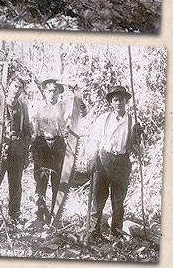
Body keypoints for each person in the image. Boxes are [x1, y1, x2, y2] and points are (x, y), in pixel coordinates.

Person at [86, 85, 143, 242]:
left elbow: (139, 152)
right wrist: (92, 159)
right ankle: (93, 232)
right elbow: (94, 141)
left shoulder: (132, 122)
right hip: (104, 161)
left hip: (122, 162)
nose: (119, 103)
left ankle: (116, 233)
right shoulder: (103, 119)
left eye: (122, 100)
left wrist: (138, 137)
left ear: (126, 101)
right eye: (115, 100)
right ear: (111, 102)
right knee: (97, 199)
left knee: (118, 201)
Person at [31, 79, 86, 223]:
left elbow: (81, 112)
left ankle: (54, 215)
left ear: (58, 93)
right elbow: (32, 126)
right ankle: (39, 214)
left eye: (55, 91)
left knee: (57, 180)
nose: (52, 94)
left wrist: (78, 96)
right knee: (41, 179)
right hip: (42, 143)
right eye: (49, 91)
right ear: (45, 92)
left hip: (58, 144)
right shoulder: (38, 107)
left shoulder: (63, 107)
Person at [0, 75, 31, 221]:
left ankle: (14, 214)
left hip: (18, 150)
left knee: (16, 183)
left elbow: (27, 131)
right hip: (1, 149)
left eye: (20, 87)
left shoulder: (23, 108)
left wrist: (26, 154)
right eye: (15, 86)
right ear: (9, 86)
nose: (17, 90)